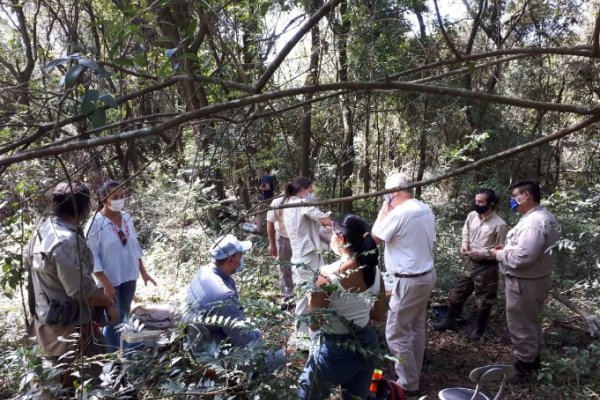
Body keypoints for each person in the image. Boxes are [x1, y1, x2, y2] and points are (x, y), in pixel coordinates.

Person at [25, 181, 118, 388]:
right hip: (71, 330)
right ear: (84, 208)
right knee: (101, 380)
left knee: (59, 381)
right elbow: (81, 291)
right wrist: (108, 303)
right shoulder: (66, 241)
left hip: (47, 322)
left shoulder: (42, 230)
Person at [298, 214, 387, 400]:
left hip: (335, 351)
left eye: (332, 234)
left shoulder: (327, 275)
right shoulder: (374, 270)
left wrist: (310, 296)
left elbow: (314, 323)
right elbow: (379, 315)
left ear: (341, 239)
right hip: (368, 347)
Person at [371, 172, 436, 397]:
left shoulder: (400, 213)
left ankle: (408, 383)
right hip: (425, 275)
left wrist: (383, 210)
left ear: (393, 194)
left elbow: (375, 238)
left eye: (386, 194)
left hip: (410, 280)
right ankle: (414, 373)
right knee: (415, 327)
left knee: (396, 332)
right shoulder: (424, 208)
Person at [491, 181, 559, 384]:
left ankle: (524, 368)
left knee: (521, 325)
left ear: (526, 196)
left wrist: (499, 254)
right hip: (535, 281)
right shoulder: (543, 217)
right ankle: (533, 362)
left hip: (525, 283)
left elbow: (523, 258)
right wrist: (509, 247)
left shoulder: (534, 222)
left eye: (515, 197)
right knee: (530, 323)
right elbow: (526, 248)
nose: (513, 201)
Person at [186, 234, 283, 371]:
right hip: (216, 355)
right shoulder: (224, 295)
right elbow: (243, 341)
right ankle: (250, 385)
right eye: (241, 255)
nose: (243, 258)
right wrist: (257, 333)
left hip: (197, 344)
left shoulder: (203, 272)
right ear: (231, 260)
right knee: (278, 356)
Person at [85, 180, 156, 352]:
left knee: (124, 315)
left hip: (128, 277)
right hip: (109, 281)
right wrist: (106, 284)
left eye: (122, 196)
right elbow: (92, 256)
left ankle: (124, 351)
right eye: (115, 197)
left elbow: (134, 245)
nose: (120, 200)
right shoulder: (95, 224)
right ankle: (112, 356)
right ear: (104, 198)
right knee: (112, 318)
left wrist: (143, 271)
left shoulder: (126, 217)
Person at [434, 188, 508, 340]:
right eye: (476, 201)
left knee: (484, 301)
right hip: (470, 263)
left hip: (487, 267)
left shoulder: (500, 224)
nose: (477, 204)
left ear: (491, 204)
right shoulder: (472, 216)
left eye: (481, 202)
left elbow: (502, 249)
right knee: (457, 293)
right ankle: (449, 321)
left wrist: (482, 253)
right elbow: (466, 231)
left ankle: (479, 330)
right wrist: (464, 245)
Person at [281, 176, 332, 347]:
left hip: (300, 256)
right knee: (314, 295)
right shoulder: (301, 204)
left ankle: (301, 337)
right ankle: (312, 338)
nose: (312, 194)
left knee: (303, 296)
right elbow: (324, 219)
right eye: (310, 191)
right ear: (303, 189)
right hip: (308, 257)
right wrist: (340, 225)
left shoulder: (288, 204)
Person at [266, 193, 294, 308]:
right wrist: (272, 244)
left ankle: (303, 295)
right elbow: (270, 221)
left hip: (301, 238)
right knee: (284, 268)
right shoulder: (278, 203)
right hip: (283, 238)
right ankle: (287, 297)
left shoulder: (306, 200)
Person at [255, 168, 275, 234]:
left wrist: (261, 188)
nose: (257, 173)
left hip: (267, 198)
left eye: (258, 172)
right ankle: (264, 228)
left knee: (260, 211)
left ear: (262, 170)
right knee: (264, 212)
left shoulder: (266, 177)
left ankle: (259, 230)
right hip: (267, 198)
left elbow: (268, 188)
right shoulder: (266, 177)